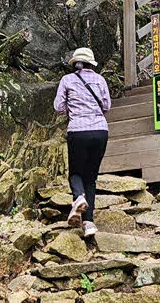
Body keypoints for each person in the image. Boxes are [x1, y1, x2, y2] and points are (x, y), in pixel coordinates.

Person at [53, 47, 111, 238]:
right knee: (91, 178)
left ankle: (78, 198)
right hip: (100, 130)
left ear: (75, 63)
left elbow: (58, 107)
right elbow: (107, 106)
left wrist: (72, 110)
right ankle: (89, 223)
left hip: (78, 130)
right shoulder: (100, 80)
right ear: (91, 63)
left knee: (76, 173)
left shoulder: (67, 80)